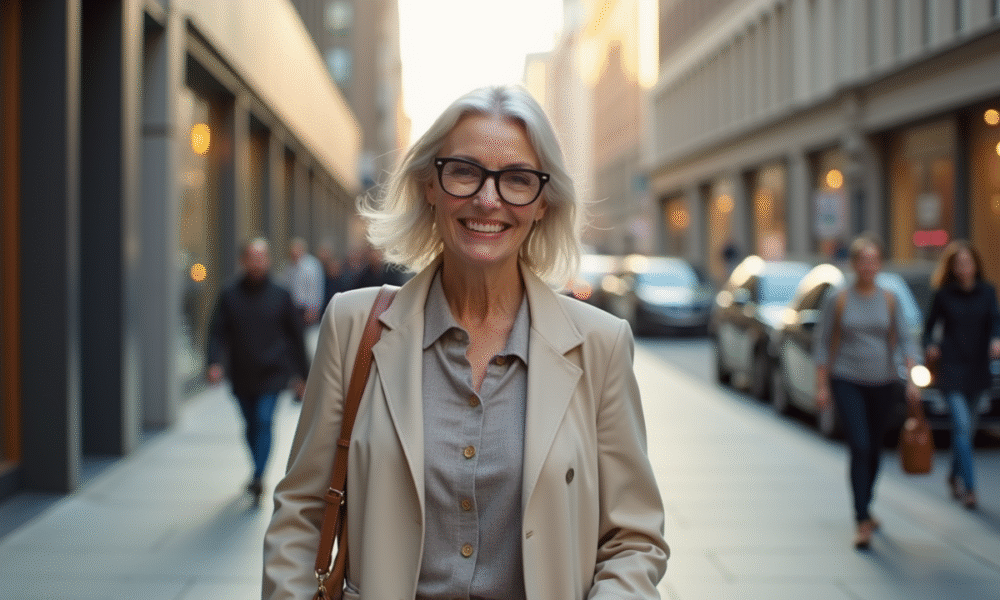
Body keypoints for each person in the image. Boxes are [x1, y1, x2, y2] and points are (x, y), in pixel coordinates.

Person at [263, 85, 669, 599]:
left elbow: (633, 540)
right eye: (464, 171)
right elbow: (300, 514)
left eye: (517, 179)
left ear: (543, 202)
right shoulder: (353, 327)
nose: (487, 198)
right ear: (429, 185)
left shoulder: (600, 345)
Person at [814, 233, 921, 549]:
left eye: (874, 261)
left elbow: (906, 339)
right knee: (859, 446)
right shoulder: (839, 298)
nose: (868, 267)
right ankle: (862, 519)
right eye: (863, 261)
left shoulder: (890, 299)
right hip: (846, 379)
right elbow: (822, 343)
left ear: (880, 264)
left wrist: (913, 379)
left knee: (874, 449)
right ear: (854, 264)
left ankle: (867, 502)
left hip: (883, 381)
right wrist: (822, 386)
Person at [207, 238, 309, 503]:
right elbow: (216, 332)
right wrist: (214, 363)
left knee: (264, 420)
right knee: (250, 424)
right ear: (243, 261)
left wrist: (304, 376)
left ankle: (258, 475)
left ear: (268, 260)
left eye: (261, 257)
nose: (256, 263)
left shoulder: (281, 294)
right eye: (251, 257)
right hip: (241, 373)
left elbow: (296, 337)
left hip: (273, 373)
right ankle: (257, 470)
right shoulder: (230, 294)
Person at [922, 240, 1000, 510]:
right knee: (963, 426)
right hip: (952, 368)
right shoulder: (943, 295)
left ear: (976, 265)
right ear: (952, 269)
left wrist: (996, 340)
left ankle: (954, 475)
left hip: (978, 368)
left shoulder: (988, 292)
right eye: (959, 264)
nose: (964, 268)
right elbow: (929, 328)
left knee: (966, 430)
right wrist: (931, 345)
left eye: (968, 263)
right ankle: (970, 488)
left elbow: (995, 323)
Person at [283, 237, 325, 326]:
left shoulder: (311, 265)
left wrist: (313, 308)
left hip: (306, 307)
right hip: (292, 306)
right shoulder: (289, 266)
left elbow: (315, 288)